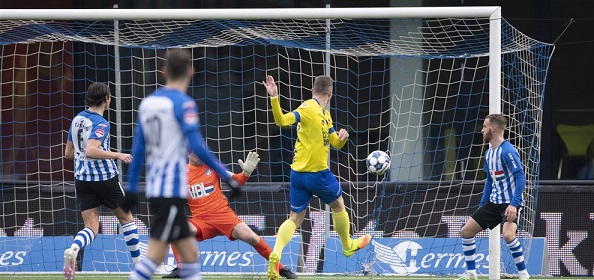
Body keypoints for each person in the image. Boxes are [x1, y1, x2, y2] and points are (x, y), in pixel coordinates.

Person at [120, 48, 239, 280]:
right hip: (171, 191)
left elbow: (138, 149)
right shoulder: (184, 104)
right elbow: (198, 147)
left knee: (191, 255)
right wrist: (227, 176)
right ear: (191, 72)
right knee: (154, 257)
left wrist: (132, 188)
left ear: (164, 72)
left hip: (156, 190)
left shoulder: (147, 104)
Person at [261, 75, 371, 280]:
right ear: (330, 93)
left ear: (312, 90)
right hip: (317, 174)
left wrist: (341, 139)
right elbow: (282, 121)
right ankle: (347, 246)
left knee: (295, 218)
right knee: (339, 205)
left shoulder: (325, 116)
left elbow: (333, 143)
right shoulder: (308, 108)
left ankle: (275, 253)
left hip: (297, 174)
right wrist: (274, 98)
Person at [163, 152, 297, 279]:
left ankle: (281, 268)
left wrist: (246, 173)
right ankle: (181, 268)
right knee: (175, 227)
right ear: (188, 154)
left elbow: (236, 181)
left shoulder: (213, 166)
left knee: (252, 237)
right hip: (201, 221)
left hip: (223, 215)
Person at [63, 82, 140, 280]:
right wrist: (118, 155)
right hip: (105, 179)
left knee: (91, 228)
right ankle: (139, 266)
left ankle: (73, 248)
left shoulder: (77, 119)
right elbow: (91, 150)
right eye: (110, 96)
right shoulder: (102, 123)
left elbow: (68, 153)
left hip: (82, 180)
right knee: (127, 220)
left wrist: (84, 155)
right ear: (106, 99)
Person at [456, 114, 529, 280]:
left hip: (510, 204)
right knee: (466, 231)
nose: (482, 130)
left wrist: (514, 204)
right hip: (493, 203)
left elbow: (521, 178)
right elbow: (490, 180)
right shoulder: (488, 153)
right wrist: (483, 204)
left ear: (493, 128)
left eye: (484, 126)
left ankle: (524, 274)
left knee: (509, 235)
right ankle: (471, 273)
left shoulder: (508, 151)